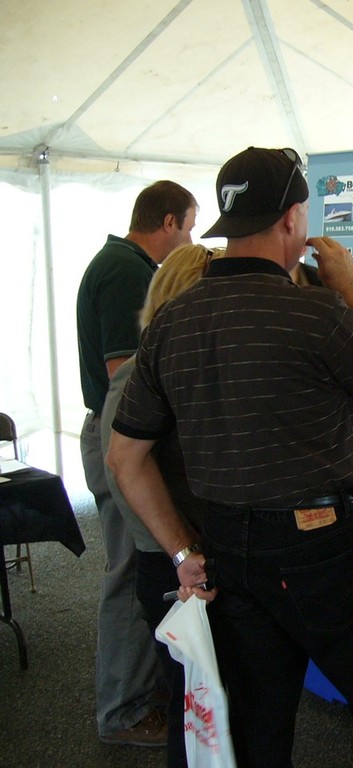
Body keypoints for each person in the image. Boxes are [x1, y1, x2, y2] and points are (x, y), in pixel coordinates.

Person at [106, 147, 353, 767]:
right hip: (326, 549)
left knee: (257, 734)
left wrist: (181, 552)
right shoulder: (318, 313)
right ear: (292, 220)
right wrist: (352, 290)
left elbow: (125, 459)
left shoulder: (173, 321)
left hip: (226, 550)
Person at [76, 179, 198, 747]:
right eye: (190, 227)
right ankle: (124, 712)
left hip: (111, 435)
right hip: (120, 441)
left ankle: (137, 696)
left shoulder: (112, 261)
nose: (190, 239)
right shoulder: (127, 269)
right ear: (169, 222)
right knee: (133, 572)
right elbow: (126, 378)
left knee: (134, 569)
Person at [100, 243, 218, 768]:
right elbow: (124, 469)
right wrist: (180, 551)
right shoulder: (143, 371)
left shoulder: (182, 360)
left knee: (207, 704)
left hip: (187, 560)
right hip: (174, 566)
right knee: (195, 706)